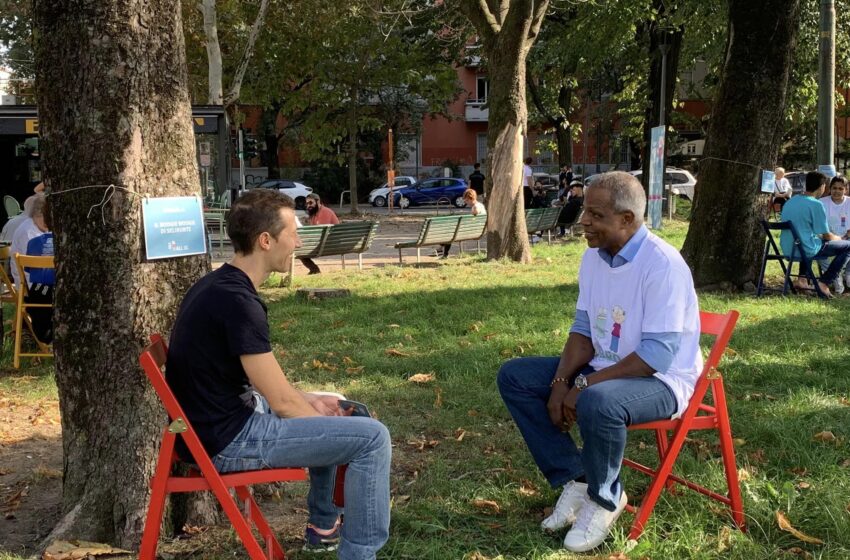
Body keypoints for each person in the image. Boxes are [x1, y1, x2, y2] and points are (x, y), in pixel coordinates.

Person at [166, 189, 391, 559]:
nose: (298, 241)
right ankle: (360, 554)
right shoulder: (238, 303)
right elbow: (283, 404)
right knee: (372, 438)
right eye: (293, 233)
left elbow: (273, 387)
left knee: (338, 403)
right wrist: (319, 418)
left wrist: (318, 403)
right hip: (229, 440)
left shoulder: (218, 284)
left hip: (216, 423)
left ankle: (323, 525)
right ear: (265, 240)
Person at [498, 171, 702, 553]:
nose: (583, 222)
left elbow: (656, 356)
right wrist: (562, 382)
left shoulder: (663, 265)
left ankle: (606, 497)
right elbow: (583, 331)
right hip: (607, 369)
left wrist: (584, 386)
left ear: (627, 219)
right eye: (585, 212)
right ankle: (576, 478)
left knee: (598, 400)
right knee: (516, 377)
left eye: (595, 215)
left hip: (662, 380)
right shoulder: (594, 257)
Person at [780, 171, 850, 298]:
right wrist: (840, 238)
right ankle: (824, 282)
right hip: (805, 249)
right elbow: (827, 236)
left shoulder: (791, 201)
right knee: (848, 246)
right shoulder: (816, 204)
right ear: (822, 186)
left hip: (788, 249)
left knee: (807, 239)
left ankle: (802, 279)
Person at [22, 202, 54, 343]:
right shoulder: (66, 243)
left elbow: (28, 269)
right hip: (54, 294)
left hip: (37, 294)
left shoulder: (33, 242)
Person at [818, 174, 850, 294]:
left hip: (846, 238)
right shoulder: (821, 202)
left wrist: (843, 238)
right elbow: (820, 228)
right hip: (827, 238)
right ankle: (835, 278)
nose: (837, 191)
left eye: (841, 188)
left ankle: (847, 274)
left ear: (846, 190)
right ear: (829, 188)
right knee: (820, 251)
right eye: (834, 188)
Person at [10, 194, 47, 289]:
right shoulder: (28, 232)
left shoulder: (39, 227)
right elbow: (35, 268)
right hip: (32, 288)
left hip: (41, 283)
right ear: (37, 215)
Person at [439, 189, 486, 259]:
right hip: (479, 230)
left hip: (473, 231)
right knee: (452, 233)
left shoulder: (475, 207)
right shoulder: (481, 205)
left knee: (450, 234)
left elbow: (473, 219)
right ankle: (442, 248)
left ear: (471, 198)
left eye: (466, 200)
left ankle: (444, 252)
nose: (466, 202)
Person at [299, 193, 340, 275]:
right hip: (324, 242)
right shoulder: (314, 212)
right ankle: (314, 269)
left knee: (299, 250)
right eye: (307, 203)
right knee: (299, 248)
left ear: (318, 202)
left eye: (311, 203)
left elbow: (320, 232)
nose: (308, 205)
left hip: (329, 244)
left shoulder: (325, 212)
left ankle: (314, 269)